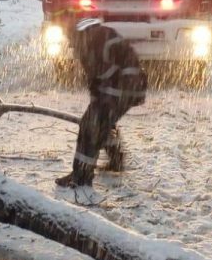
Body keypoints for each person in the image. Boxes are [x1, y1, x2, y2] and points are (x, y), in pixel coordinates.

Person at [55, 18, 148, 188]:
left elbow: (100, 75)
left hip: (121, 88)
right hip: (129, 87)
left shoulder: (92, 41)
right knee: (103, 121)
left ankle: (81, 177)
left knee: (90, 128)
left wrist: (98, 97)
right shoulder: (97, 35)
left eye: (68, 37)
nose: (69, 42)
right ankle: (116, 161)